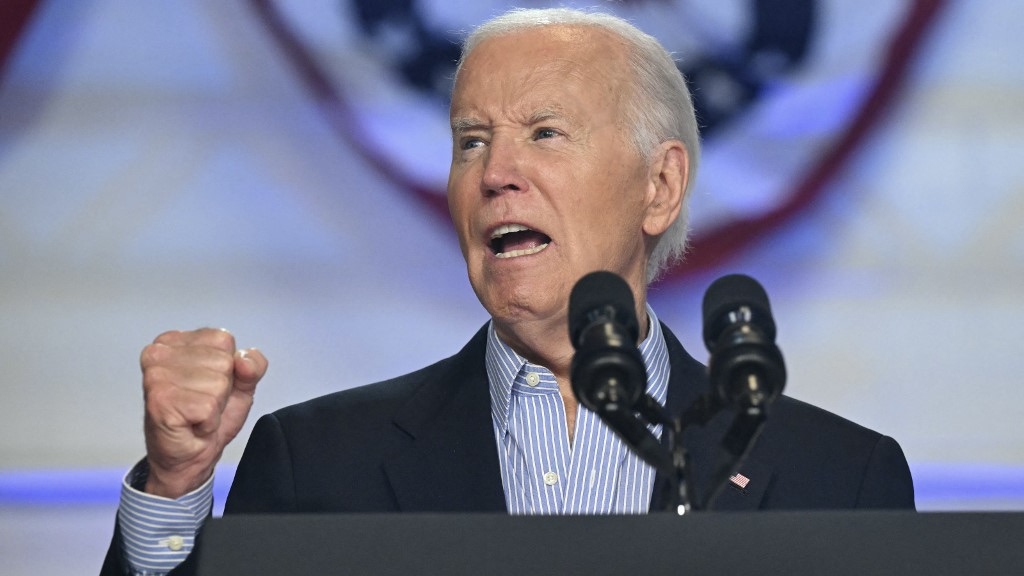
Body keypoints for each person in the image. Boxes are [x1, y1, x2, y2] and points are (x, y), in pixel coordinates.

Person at [101, 7, 914, 575]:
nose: (495, 175)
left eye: (545, 134)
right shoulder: (316, 463)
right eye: (471, 141)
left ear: (660, 186)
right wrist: (175, 488)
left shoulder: (835, 476)